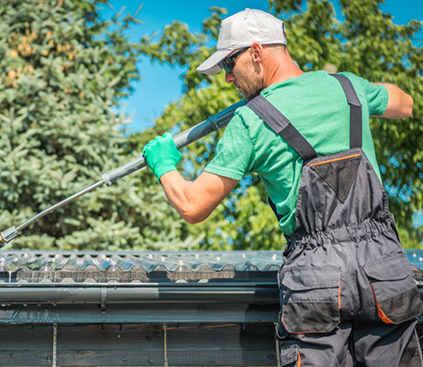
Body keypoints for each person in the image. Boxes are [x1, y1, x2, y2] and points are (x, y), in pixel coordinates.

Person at [142, 8, 421, 366]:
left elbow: (193, 206)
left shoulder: (250, 121)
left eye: (229, 63)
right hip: (383, 267)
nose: (227, 78)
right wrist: (352, 90)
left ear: (257, 53)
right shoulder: (350, 88)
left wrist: (164, 165)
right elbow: (405, 104)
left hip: (317, 279)